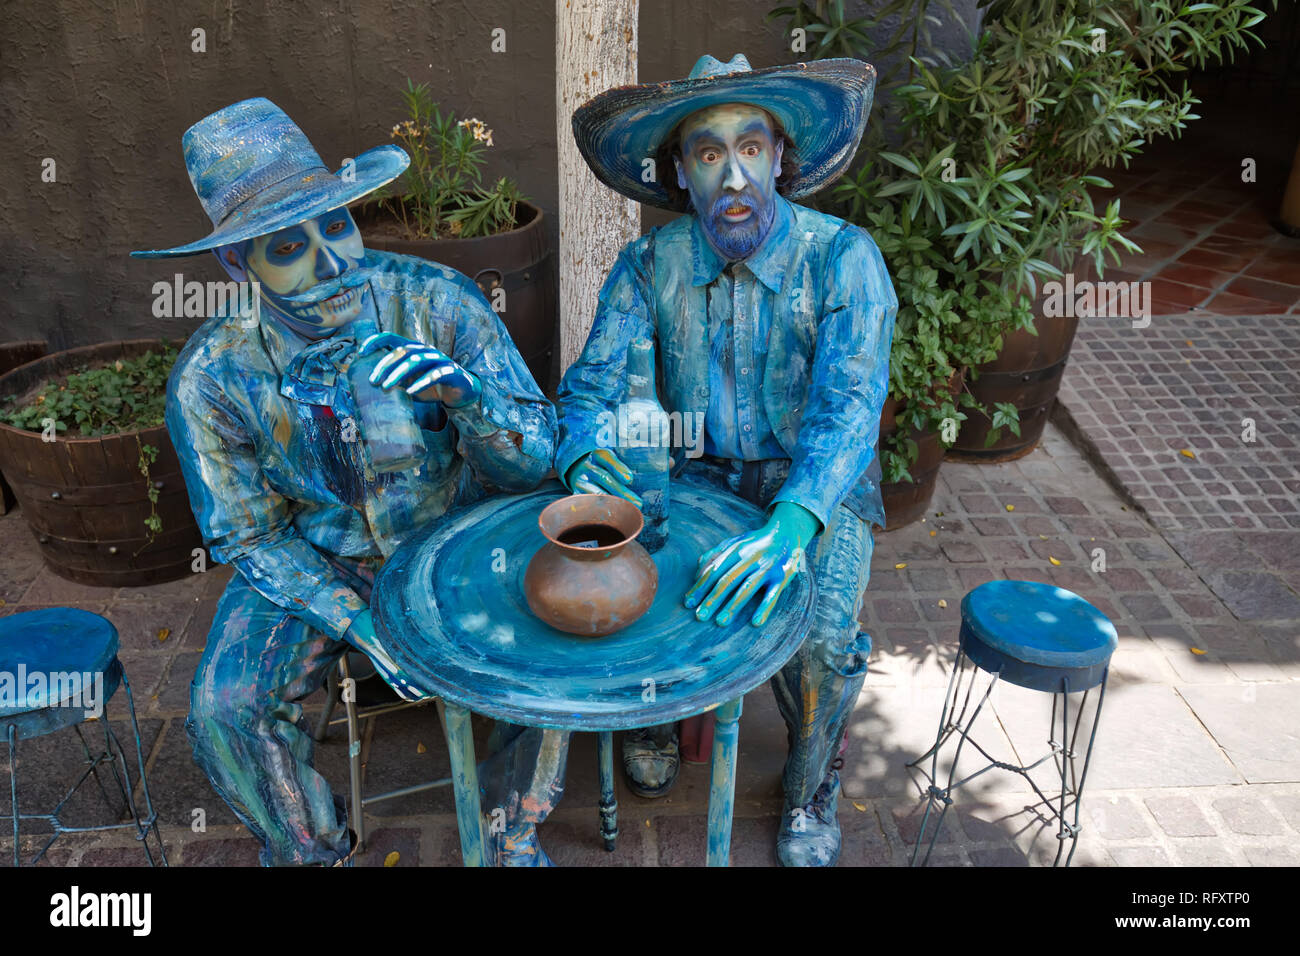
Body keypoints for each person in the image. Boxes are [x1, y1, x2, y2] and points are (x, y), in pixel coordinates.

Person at [131, 98, 556, 866]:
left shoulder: (437, 301)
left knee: (548, 643)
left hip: (455, 532)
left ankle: (508, 834)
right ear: (237, 262)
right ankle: (310, 849)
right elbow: (249, 532)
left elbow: (536, 464)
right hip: (317, 552)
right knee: (224, 710)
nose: (332, 262)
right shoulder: (211, 376)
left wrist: (470, 402)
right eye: (289, 246)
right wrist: (351, 617)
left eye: (336, 227)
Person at [557, 54, 897, 866]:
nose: (735, 174)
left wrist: (791, 525)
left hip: (814, 484)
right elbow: (591, 386)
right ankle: (656, 714)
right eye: (709, 153)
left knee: (817, 637)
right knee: (631, 569)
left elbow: (849, 411)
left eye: (752, 146)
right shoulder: (649, 265)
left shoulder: (844, 258)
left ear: (782, 156)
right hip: (694, 473)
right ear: (681, 170)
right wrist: (581, 454)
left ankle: (812, 780)